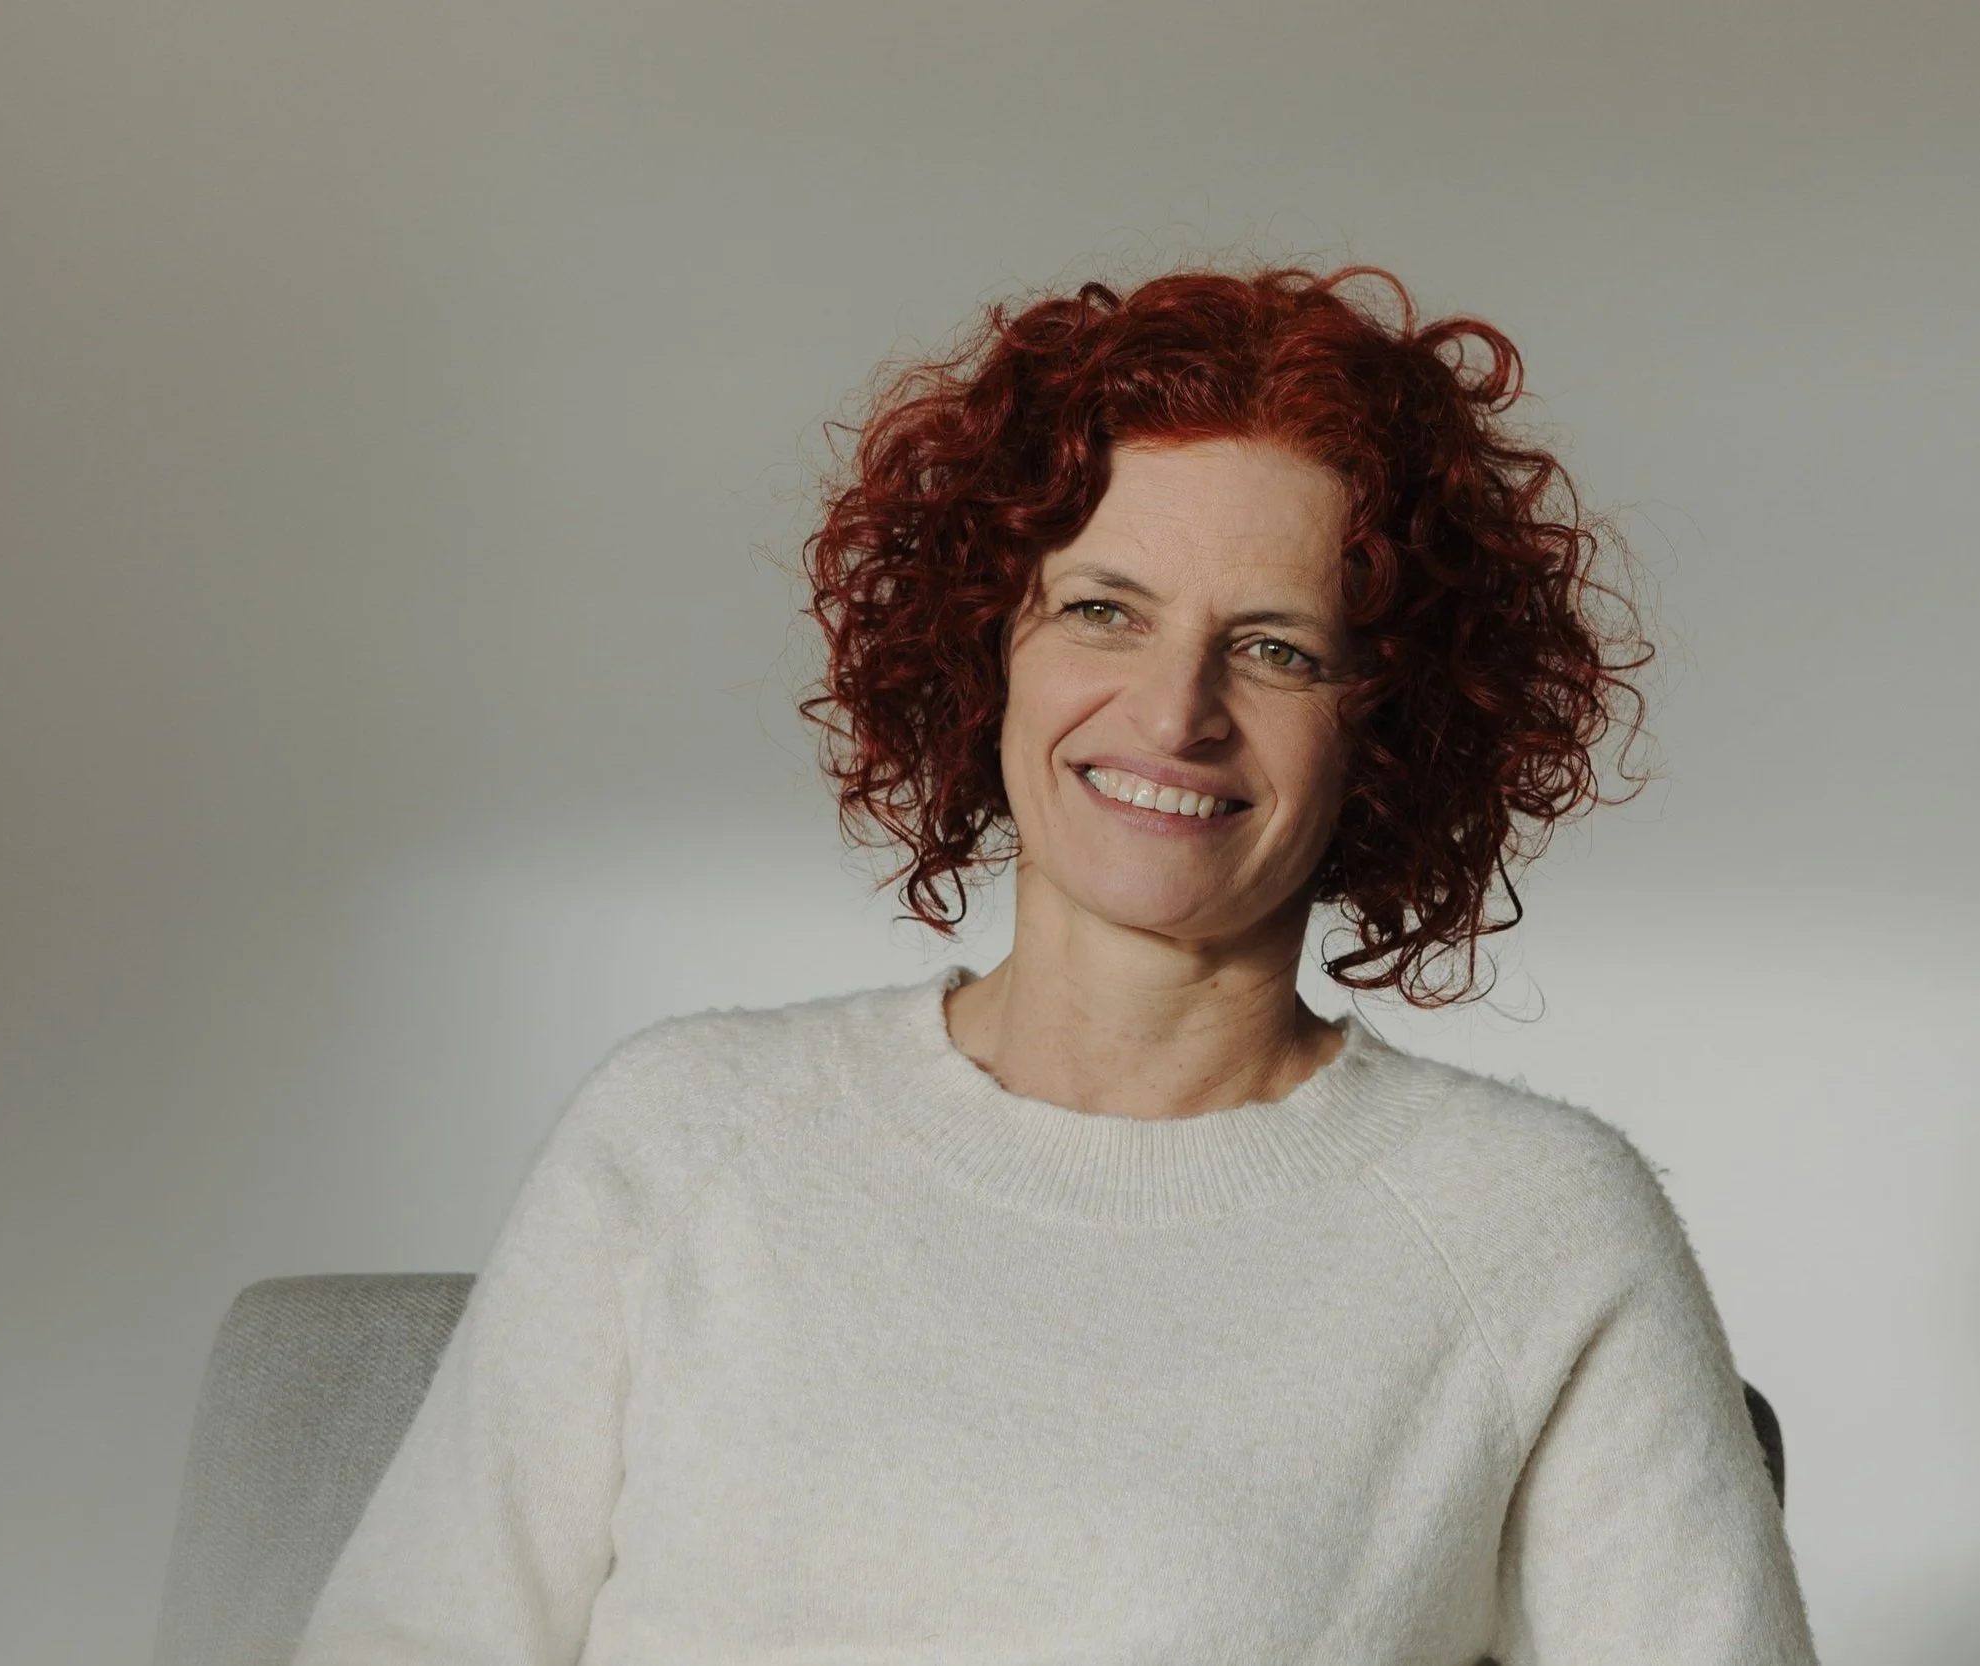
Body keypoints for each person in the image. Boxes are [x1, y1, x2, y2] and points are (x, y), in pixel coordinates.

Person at [289, 263, 1822, 1665]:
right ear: (990, 648)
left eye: (1276, 647)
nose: (1174, 712)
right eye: (1103, 610)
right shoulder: (685, 1130)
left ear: (1388, 724)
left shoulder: (1530, 1227)